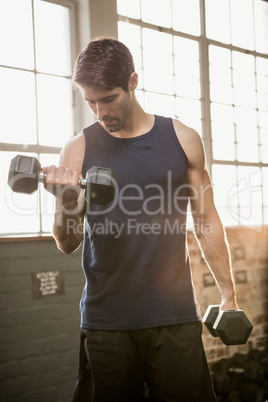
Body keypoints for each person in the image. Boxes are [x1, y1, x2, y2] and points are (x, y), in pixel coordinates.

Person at [43, 37, 238, 401]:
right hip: (107, 321)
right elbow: (67, 243)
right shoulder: (78, 149)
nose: (100, 112)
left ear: (132, 82)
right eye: (91, 102)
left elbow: (206, 222)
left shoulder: (182, 140)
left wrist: (228, 294)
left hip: (174, 314)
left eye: (108, 98)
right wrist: (65, 201)